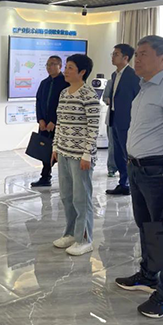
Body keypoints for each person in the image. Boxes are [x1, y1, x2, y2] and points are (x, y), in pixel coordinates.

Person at [115, 36, 163, 319]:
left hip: (160, 171)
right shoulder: (145, 87)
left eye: (143, 54)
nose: (137, 59)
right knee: (146, 227)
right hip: (138, 169)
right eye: (136, 54)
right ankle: (148, 275)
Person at [52, 54, 100, 256]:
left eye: (70, 67)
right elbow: (60, 122)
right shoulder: (64, 93)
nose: (66, 71)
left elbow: (93, 127)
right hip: (64, 152)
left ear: (82, 72)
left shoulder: (89, 95)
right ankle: (71, 233)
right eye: (66, 67)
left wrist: (87, 154)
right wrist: (55, 147)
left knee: (81, 198)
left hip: (81, 156)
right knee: (67, 196)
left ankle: (85, 239)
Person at [106, 44, 141, 196]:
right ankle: (123, 182)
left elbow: (137, 99)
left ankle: (130, 183)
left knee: (127, 154)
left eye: (116, 54)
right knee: (118, 153)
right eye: (113, 54)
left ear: (126, 57)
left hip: (127, 120)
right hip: (114, 118)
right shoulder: (115, 75)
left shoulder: (133, 76)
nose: (113, 57)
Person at [31, 56, 70, 188]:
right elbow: (39, 102)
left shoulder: (65, 83)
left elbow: (64, 105)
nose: (49, 67)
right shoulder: (44, 83)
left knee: (59, 151)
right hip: (44, 124)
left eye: (53, 64)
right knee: (45, 150)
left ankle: (65, 178)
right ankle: (45, 176)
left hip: (58, 124)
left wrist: (54, 121)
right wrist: (40, 120)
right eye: (48, 64)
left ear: (60, 66)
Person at [102, 78, 118, 178]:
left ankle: (124, 170)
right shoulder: (111, 82)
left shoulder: (132, 81)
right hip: (112, 118)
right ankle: (112, 168)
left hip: (127, 119)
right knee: (112, 145)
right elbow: (105, 98)